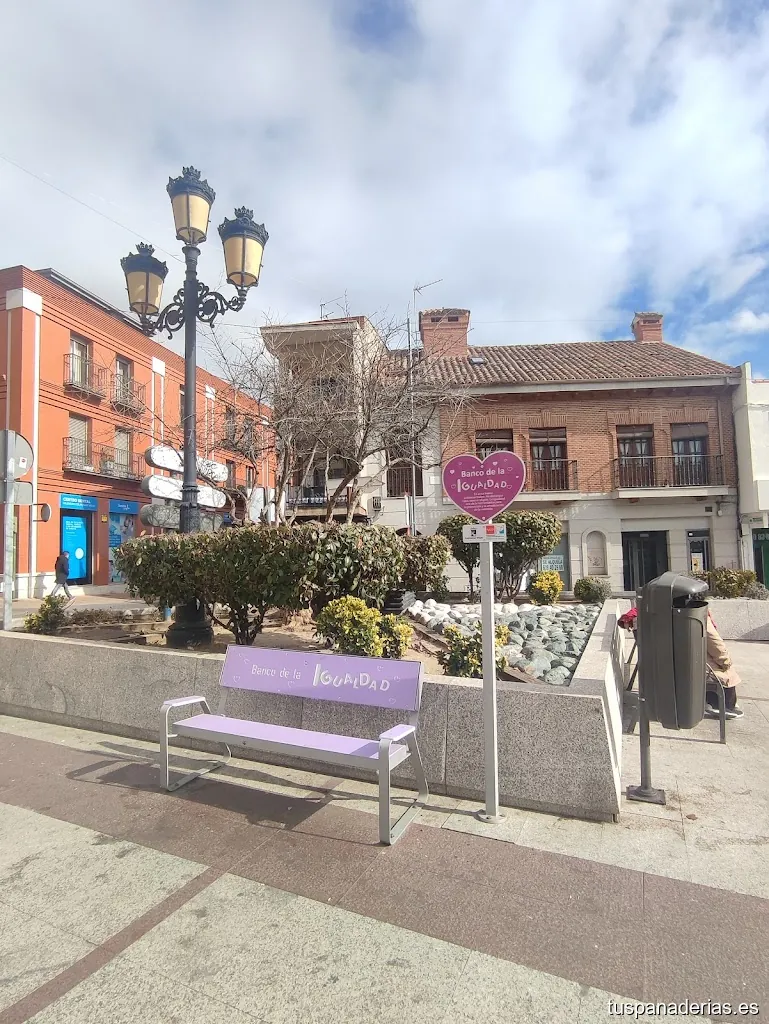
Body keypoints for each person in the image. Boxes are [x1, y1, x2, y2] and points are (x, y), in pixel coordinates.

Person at [705, 610, 743, 720]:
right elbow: (715, 644)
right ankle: (721, 704)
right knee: (726, 671)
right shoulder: (698, 615)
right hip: (703, 667)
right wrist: (726, 661)